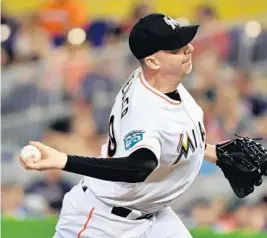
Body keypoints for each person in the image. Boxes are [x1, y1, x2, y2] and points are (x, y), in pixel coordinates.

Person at [18, 13, 266, 238]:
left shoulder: (166, 85)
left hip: (153, 215)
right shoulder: (146, 109)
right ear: (153, 62)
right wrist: (63, 161)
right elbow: (138, 167)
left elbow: (175, 140)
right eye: (176, 47)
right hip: (103, 222)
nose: (189, 48)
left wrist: (216, 154)